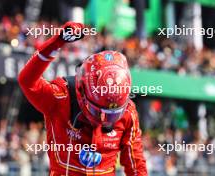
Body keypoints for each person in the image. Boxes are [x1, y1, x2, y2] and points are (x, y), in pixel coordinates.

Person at [18, 22, 147, 176]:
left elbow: (136, 165)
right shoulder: (61, 97)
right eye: (98, 111)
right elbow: (27, 81)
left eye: (113, 114)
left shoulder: (129, 112)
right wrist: (56, 42)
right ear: (82, 92)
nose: (104, 120)